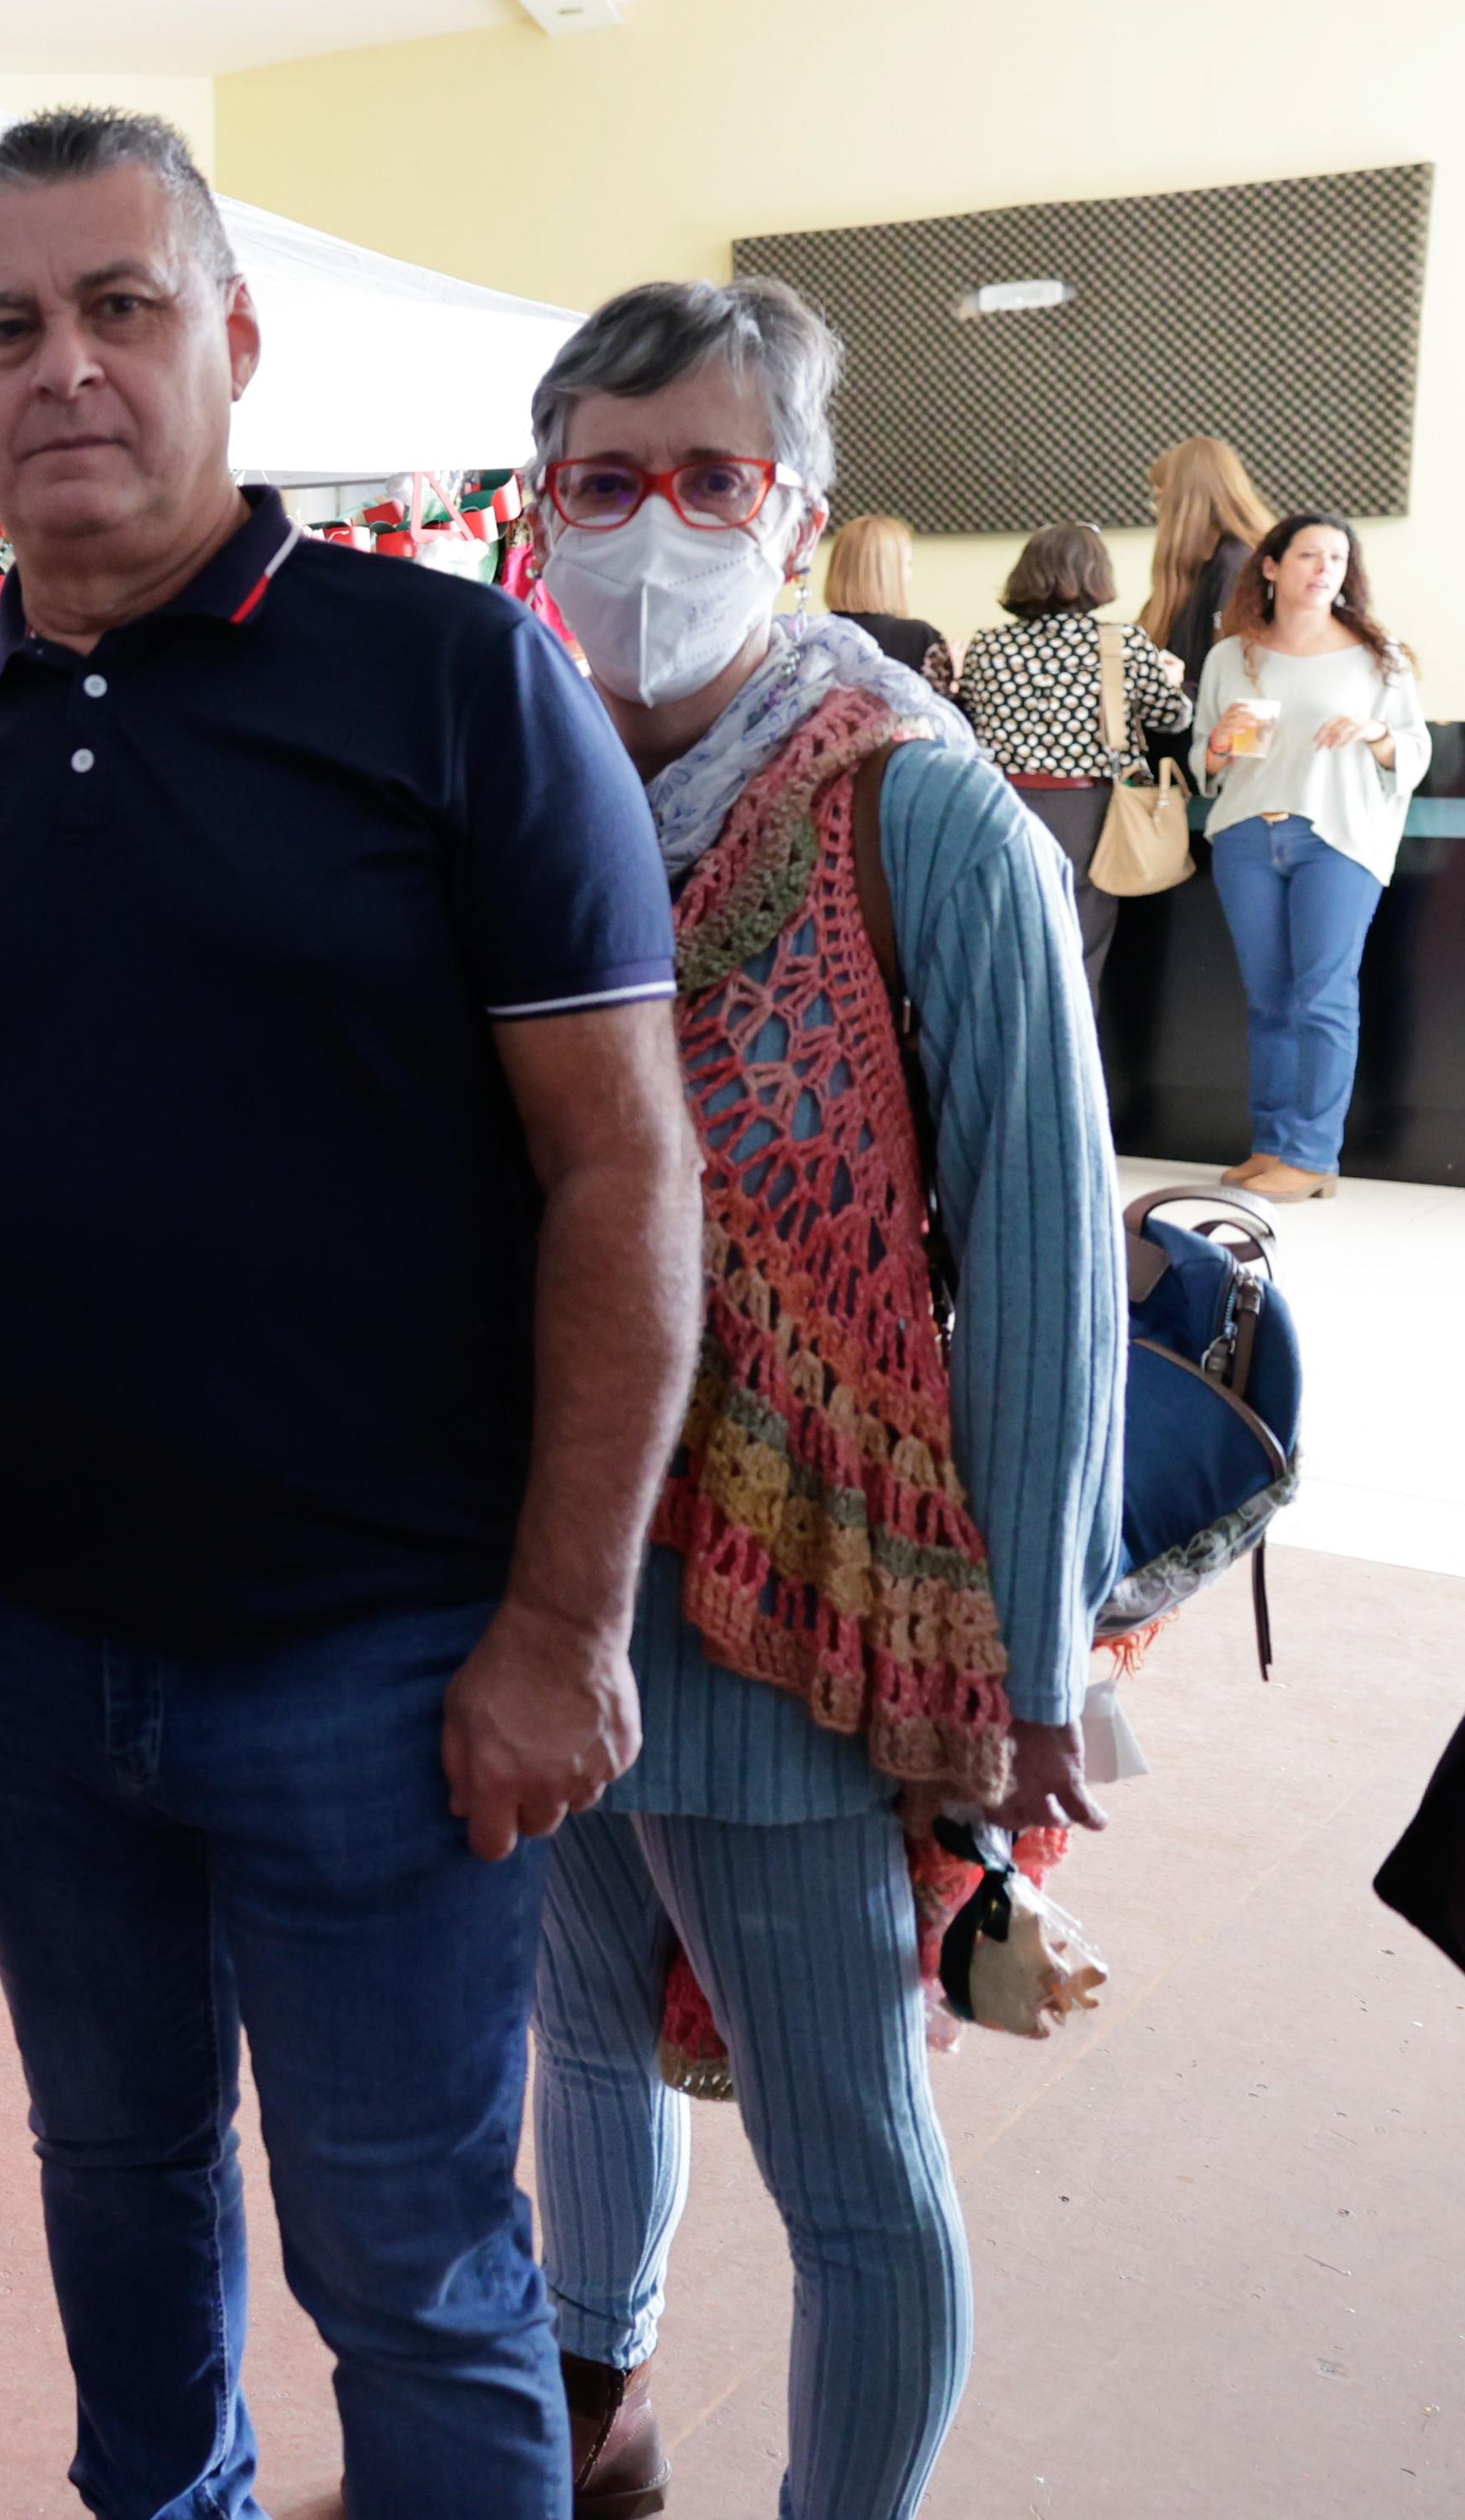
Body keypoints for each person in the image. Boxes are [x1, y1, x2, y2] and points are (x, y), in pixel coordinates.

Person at [0, 109, 702, 2520]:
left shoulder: (450, 682)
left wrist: (564, 1613)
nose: (67, 369)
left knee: (413, 2259)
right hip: (27, 1644)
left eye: (121, 306)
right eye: (9, 326)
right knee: (115, 2177)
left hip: (384, 1659)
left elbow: (624, 1170)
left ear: (230, 336)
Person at [508, 278, 1123, 2520]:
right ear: (541, 503)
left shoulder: (924, 817)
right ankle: (601, 2419)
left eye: (710, 479)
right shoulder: (524, 784)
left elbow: (1051, 1257)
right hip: (539, 1571)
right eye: (606, 480)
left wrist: (1034, 1660)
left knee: (841, 2131)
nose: (653, 526)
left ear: (804, 513)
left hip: (801, 1608)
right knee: (573, 2021)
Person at [1198, 511, 1429, 1200]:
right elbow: (1208, 765)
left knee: (1323, 997)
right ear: (1271, 567)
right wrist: (1219, 740)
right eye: (1308, 555)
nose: (1324, 568)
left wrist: (1376, 730)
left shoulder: (1379, 657)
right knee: (1269, 1000)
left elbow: (1414, 753)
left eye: (1336, 556)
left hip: (1338, 838)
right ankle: (1272, 1145)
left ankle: (1314, 1155)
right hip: (1245, 834)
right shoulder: (1228, 655)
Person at [948, 519, 1193, 1001]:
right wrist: (1176, 679)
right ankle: (1070, 1066)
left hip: (1002, 806)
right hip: (1086, 815)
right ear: (1096, 575)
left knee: (1007, 947)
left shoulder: (988, 645)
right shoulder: (1122, 643)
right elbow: (1172, 718)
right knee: (1078, 953)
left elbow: (969, 720)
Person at [1134, 434, 1280, 718]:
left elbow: (1234, 679)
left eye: (1160, 498)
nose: (1156, 509)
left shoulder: (1234, 566)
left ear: (1184, 501)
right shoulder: (1200, 569)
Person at [813, 511, 953, 691]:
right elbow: (942, 713)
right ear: (889, 574)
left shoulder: (811, 636)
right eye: (908, 564)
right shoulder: (920, 637)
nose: (911, 575)